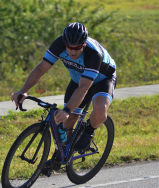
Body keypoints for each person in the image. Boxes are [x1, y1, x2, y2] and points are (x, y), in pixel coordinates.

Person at [12, 22, 116, 172]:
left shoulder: (94, 55)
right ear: (65, 43)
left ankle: (89, 132)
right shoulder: (59, 44)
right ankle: (59, 156)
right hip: (78, 80)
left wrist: (67, 109)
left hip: (102, 80)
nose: (73, 52)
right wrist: (23, 90)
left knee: (100, 111)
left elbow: (84, 87)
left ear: (84, 44)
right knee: (67, 121)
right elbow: (41, 68)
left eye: (77, 48)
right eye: (69, 47)